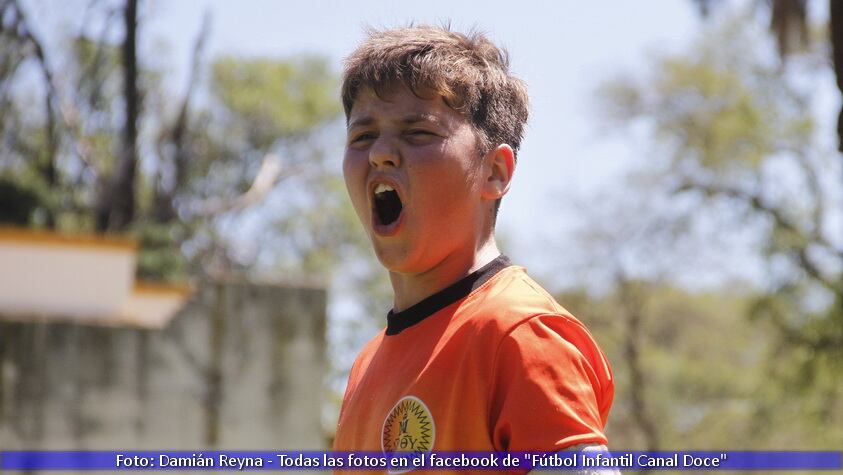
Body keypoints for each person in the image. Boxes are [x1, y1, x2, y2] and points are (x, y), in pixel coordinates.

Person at [333, 25, 616, 475]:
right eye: (362, 136)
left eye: (418, 132)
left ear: (495, 172)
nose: (381, 153)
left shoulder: (522, 334)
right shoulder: (366, 365)